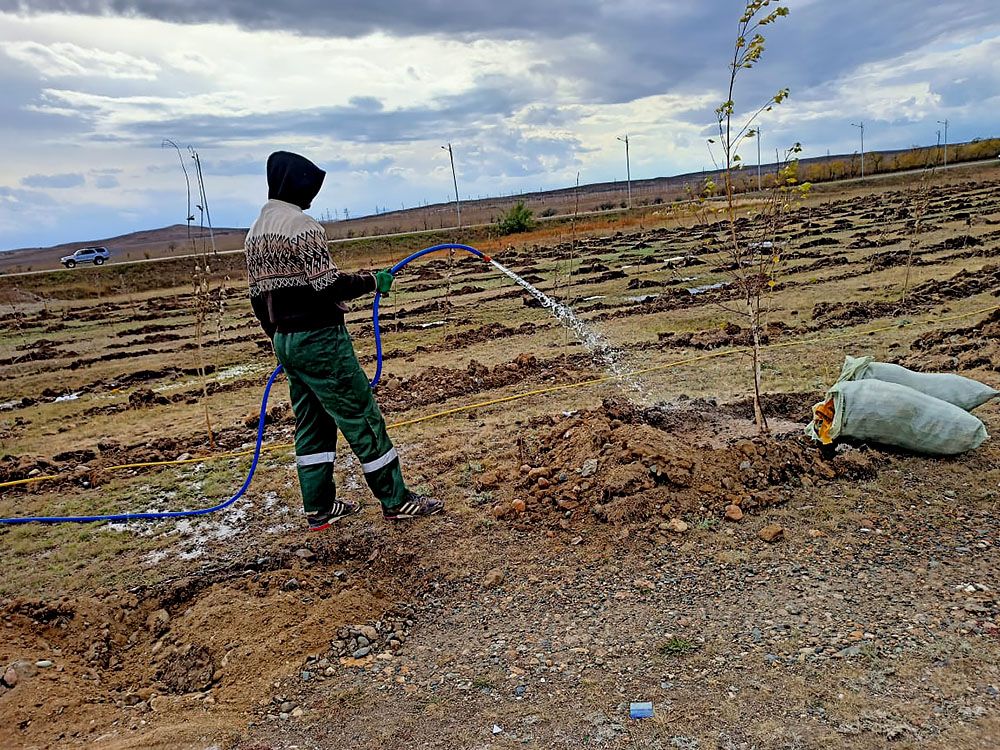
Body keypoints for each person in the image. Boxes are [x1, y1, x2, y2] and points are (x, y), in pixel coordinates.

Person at [244, 150, 443, 530]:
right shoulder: (302, 226)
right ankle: (396, 500)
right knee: (360, 415)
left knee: (313, 422)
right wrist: (372, 281)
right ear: (295, 184)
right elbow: (327, 284)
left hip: (287, 342)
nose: (312, 197)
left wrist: (281, 340)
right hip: (320, 341)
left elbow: (258, 298)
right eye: (310, 188)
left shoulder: (255, 233)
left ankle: (319, 508)